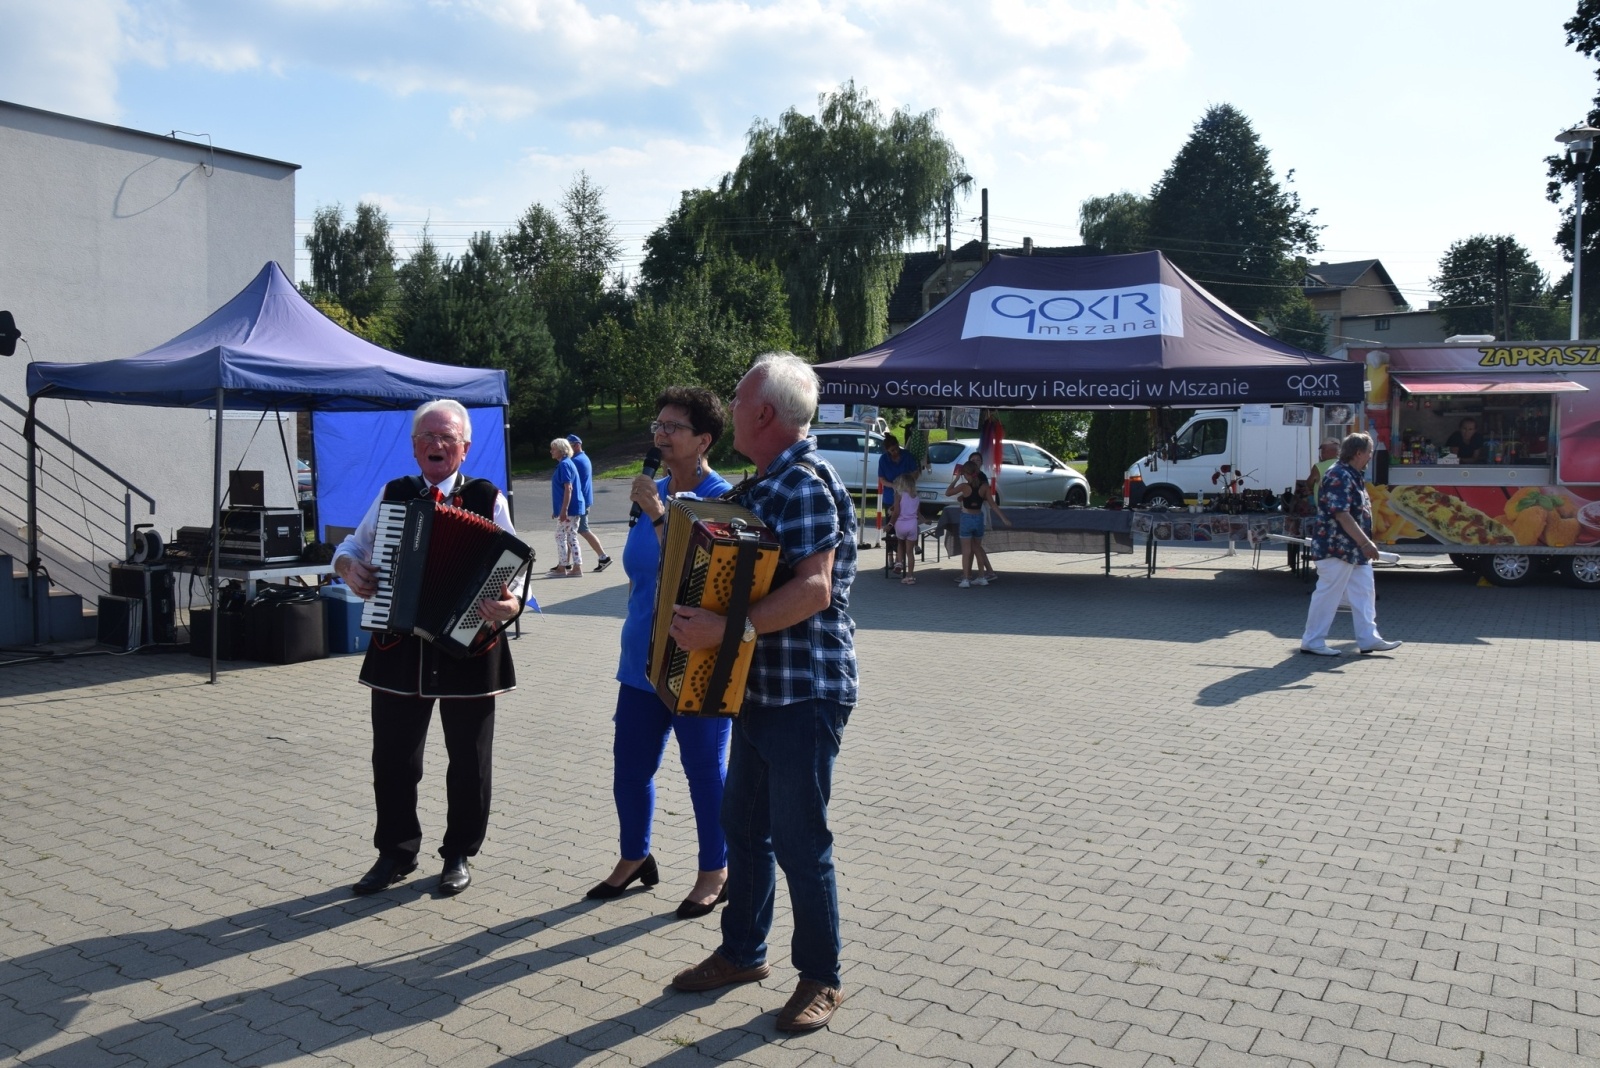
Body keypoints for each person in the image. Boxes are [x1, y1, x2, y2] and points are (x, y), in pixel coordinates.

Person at [667, 351, 858, 1034]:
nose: (732, 409)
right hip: (754, 689)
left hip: (803, 693)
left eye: (739, 400)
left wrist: (723, 629)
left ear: (765, 413)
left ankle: (821, 976)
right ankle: (742, 952)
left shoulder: (804, 482)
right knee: (743, 829)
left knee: (801, 840)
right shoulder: (766, 482)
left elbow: (815, 588)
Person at [333, 399, 523, 897]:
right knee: (394, 759)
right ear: (415, 446)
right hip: (400, 645)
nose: (437, 445)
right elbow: (353, 546)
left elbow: (515, 567)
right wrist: (348, 569)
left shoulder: (487, 497)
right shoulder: (395, 493)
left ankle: (459, 852)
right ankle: (395, 853)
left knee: (469, 760)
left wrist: (513, 604)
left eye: (447, 437)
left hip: (469, 646)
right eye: (427, 437)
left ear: (465, 447)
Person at [588, 388, 733, 919]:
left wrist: (656, 514)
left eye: (674, 427)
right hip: (640, 659)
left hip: (698, 661)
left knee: (703, 770)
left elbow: (703, 573)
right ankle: (634, 857)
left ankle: (716, 869)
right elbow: (643, 575)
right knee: (629, 767)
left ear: (703, 441)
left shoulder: (723, 501)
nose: (661, 434)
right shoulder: (656, 489)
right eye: (659, 425)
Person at [1300, 432, 1402, 657]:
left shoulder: (1351, 474)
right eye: (1369, 452)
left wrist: (1363, 544)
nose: (1370, 456)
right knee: (1328, 594)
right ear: (1358, 453)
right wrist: (1366, 543)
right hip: (1336, 547)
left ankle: (1369, 639)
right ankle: (1312, 641)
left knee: (1365, 591)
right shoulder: (1339, 475)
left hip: (1352, 549)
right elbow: (1342, 514)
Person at [947, 454, 998, 588]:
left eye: (977, 460)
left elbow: (948, 492)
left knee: (967, 551)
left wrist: (956, 479)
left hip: (967, 517)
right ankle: (981, 576)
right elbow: (991, 502)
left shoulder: (964, 486)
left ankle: (966, 578)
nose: (976, 462)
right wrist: (1003, 517)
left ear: (965, 473)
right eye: (973, 460)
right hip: (979, 517)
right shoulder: (983, 484)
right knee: (977, 548)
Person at [566, 434, 613, 572]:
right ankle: (565, 562)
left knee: (582, 529)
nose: (566, 450)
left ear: (577, 445)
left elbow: (571, 485)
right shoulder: (583, 458)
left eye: (569, 446)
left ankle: (603, 557)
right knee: (570, 529)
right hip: (584, 500)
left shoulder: (576, 461)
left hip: (580, 501)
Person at [876, 433, 921, 542]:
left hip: (907, 494)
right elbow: (882, 479)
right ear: (887, 451)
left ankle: (907, 548)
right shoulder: (883, 460)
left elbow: (916, 472)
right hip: (890, 496)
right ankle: (890, 554)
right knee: (891, 528)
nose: (895, 452)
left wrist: (906, 483)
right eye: (892, 451)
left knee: (907, 523)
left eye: (896, 449)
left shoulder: (907, 455)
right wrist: (894, 486)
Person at [549, 437, 584, 576]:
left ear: (562, 450)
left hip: (571, 508)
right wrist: (557, 509)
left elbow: (568, 488)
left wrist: (564, 510)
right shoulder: (564, 464)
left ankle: (568, 567)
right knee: (567, 536)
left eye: (554, 448)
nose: (551, 451)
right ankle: (570, 566)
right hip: (570, 508)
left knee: (564, 536)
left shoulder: (564, 464)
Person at [891, 470, 921, 584]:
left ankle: (899, 562)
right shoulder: (916, 497)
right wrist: (925, 520)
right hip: (912, 525)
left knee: (900, 544)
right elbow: (918, 514)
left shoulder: (898, 495)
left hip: (900, 524)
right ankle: (910, 576)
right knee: (910, 552)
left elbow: (896, 512)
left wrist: (890, 524)